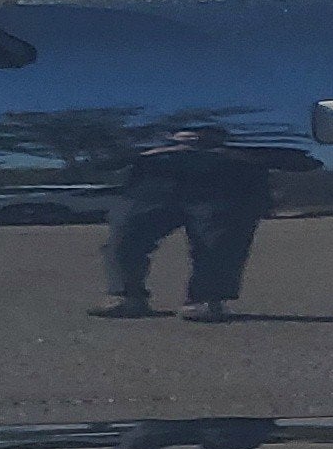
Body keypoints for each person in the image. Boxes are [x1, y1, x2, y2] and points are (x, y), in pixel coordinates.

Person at [95, 122, 280, 322]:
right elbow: (104, 163)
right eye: (188, 136)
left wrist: (229, 154)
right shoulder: (148, 146)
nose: (194, 141)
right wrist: (155, 152)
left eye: (204, 137)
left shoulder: (245, 145)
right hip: (153, 193)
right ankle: (127, 296)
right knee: (126, 234)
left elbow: (300, 161)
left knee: (219, 243)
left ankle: (206, 300)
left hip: (221, 192)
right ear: (173, 135)